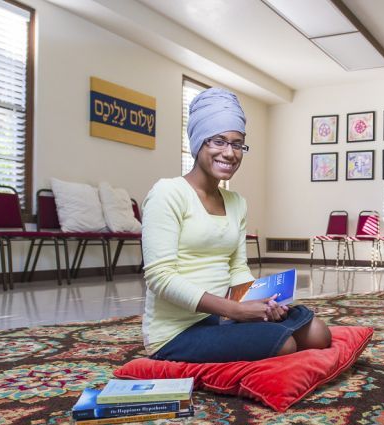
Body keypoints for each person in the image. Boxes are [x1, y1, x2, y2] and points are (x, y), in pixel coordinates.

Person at [141, 88, 331, 363]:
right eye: (218, 141)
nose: (229, 153)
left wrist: (263, 303)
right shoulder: (167, 193)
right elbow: (160, 277)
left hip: (223, 318)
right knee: (285, 345)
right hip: (177, 332)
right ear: (198, 143)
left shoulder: (236, 202)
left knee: (318, 333)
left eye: (237, 143)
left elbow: (237, 267)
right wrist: (235, 310)